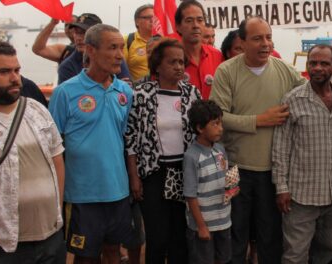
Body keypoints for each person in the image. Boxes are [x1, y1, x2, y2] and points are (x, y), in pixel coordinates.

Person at [210, 16, 307, 264]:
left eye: (268, 37)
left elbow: (310, 97)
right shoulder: (226, 71)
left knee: (270, 237)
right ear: (241, 42)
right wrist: (258, 120)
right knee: (235, 234)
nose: (265, 44)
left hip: (273, 172)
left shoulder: (285, 70)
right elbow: (217, 117)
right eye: (257, 38)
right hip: (234, 168)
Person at [0, 41, 66, 263]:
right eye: (4, 71)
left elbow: (56, 159)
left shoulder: (36, 110)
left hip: (49, 237)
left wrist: (56, 209)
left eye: (17, 70)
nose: (15, 78)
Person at [48, 24, 134, 264]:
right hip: (82, 195)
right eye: (112, 47)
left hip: (118, 191)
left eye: (122, 48)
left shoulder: (125, 92)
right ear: (90, 50)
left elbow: (125, 138)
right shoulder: (65, 93)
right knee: (85, 257)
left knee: (113, 252)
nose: (120, 55)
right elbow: (52, 145)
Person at [126, 39, 200, 264]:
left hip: (184, 171)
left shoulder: (192, 93)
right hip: (153, 173)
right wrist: (134, 176)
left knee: (181, 235)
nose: (179, 66)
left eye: (181, 62)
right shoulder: (141, 94)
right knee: (157, 238)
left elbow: (201, 132)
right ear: (157, 66)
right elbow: (131, 138)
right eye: (172, 62)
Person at [272, 44, 332, 264]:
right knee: (295, 255)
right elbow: (280, 148)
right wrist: (281, 188)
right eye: (313, 63)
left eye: (324, 63)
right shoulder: (292, 100)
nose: (318, 68)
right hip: (300, 197)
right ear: (306, 66)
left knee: (327, 250)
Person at [183, 100, 231, 264]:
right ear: (200, 128)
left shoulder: (220, 149)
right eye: (215, 124)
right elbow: (190, 195)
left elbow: (224, 180)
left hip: (224, 221)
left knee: (223, 259)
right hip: (203, 226)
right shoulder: (192, 157)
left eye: (221, 123)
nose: (221, 128)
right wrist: (201, 226)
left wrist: (232, 189)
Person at [57, 13, 131, 84]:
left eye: (84, 32)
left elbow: (125, 89)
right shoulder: (67, 66)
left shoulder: (114, 59)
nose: (78, 38)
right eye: (76, 32)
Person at [175, 0, 223, 99]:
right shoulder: (168, 58)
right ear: (178, 26)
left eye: (200, 20)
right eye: (189, 20)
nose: (196, 25)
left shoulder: (217, 56)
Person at [124, 4, 154, 82]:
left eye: (154, 17)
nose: (152, 20)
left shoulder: (164, 40)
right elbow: (121, 69)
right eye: (147, 17)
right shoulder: (127, 41)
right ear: (137, 22)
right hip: (137, 90)